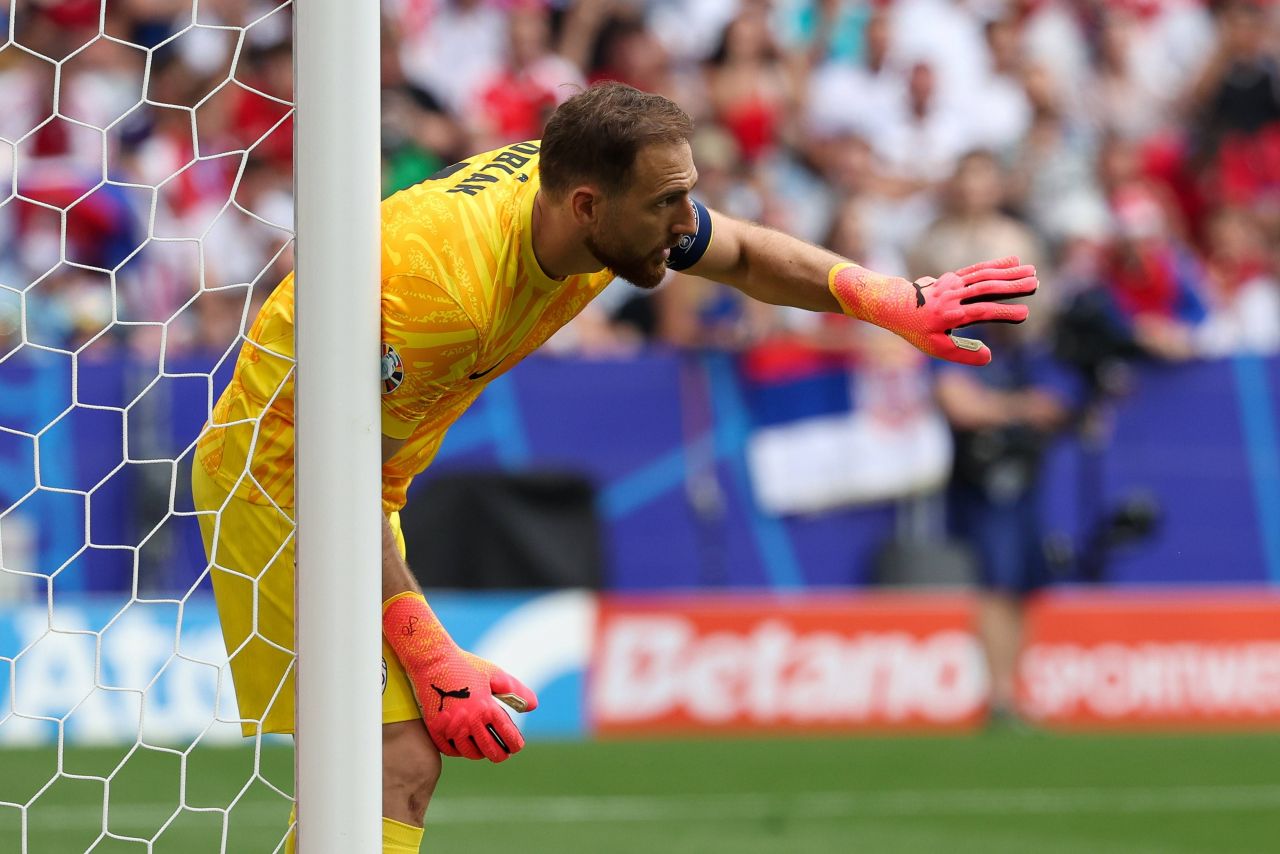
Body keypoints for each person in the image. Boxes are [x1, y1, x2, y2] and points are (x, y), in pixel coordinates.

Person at [189, 81, 1038, 853]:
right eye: (669, 203)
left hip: (356, 474)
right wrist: (429, 646)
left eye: (687, 194)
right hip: (280, 480)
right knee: (396, 763)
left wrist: (885, 301)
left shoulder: (602, 214)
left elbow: (740, 254)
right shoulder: (443, 293)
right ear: (589, 204)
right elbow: (334, 478)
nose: (686, 222)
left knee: (382, 774)